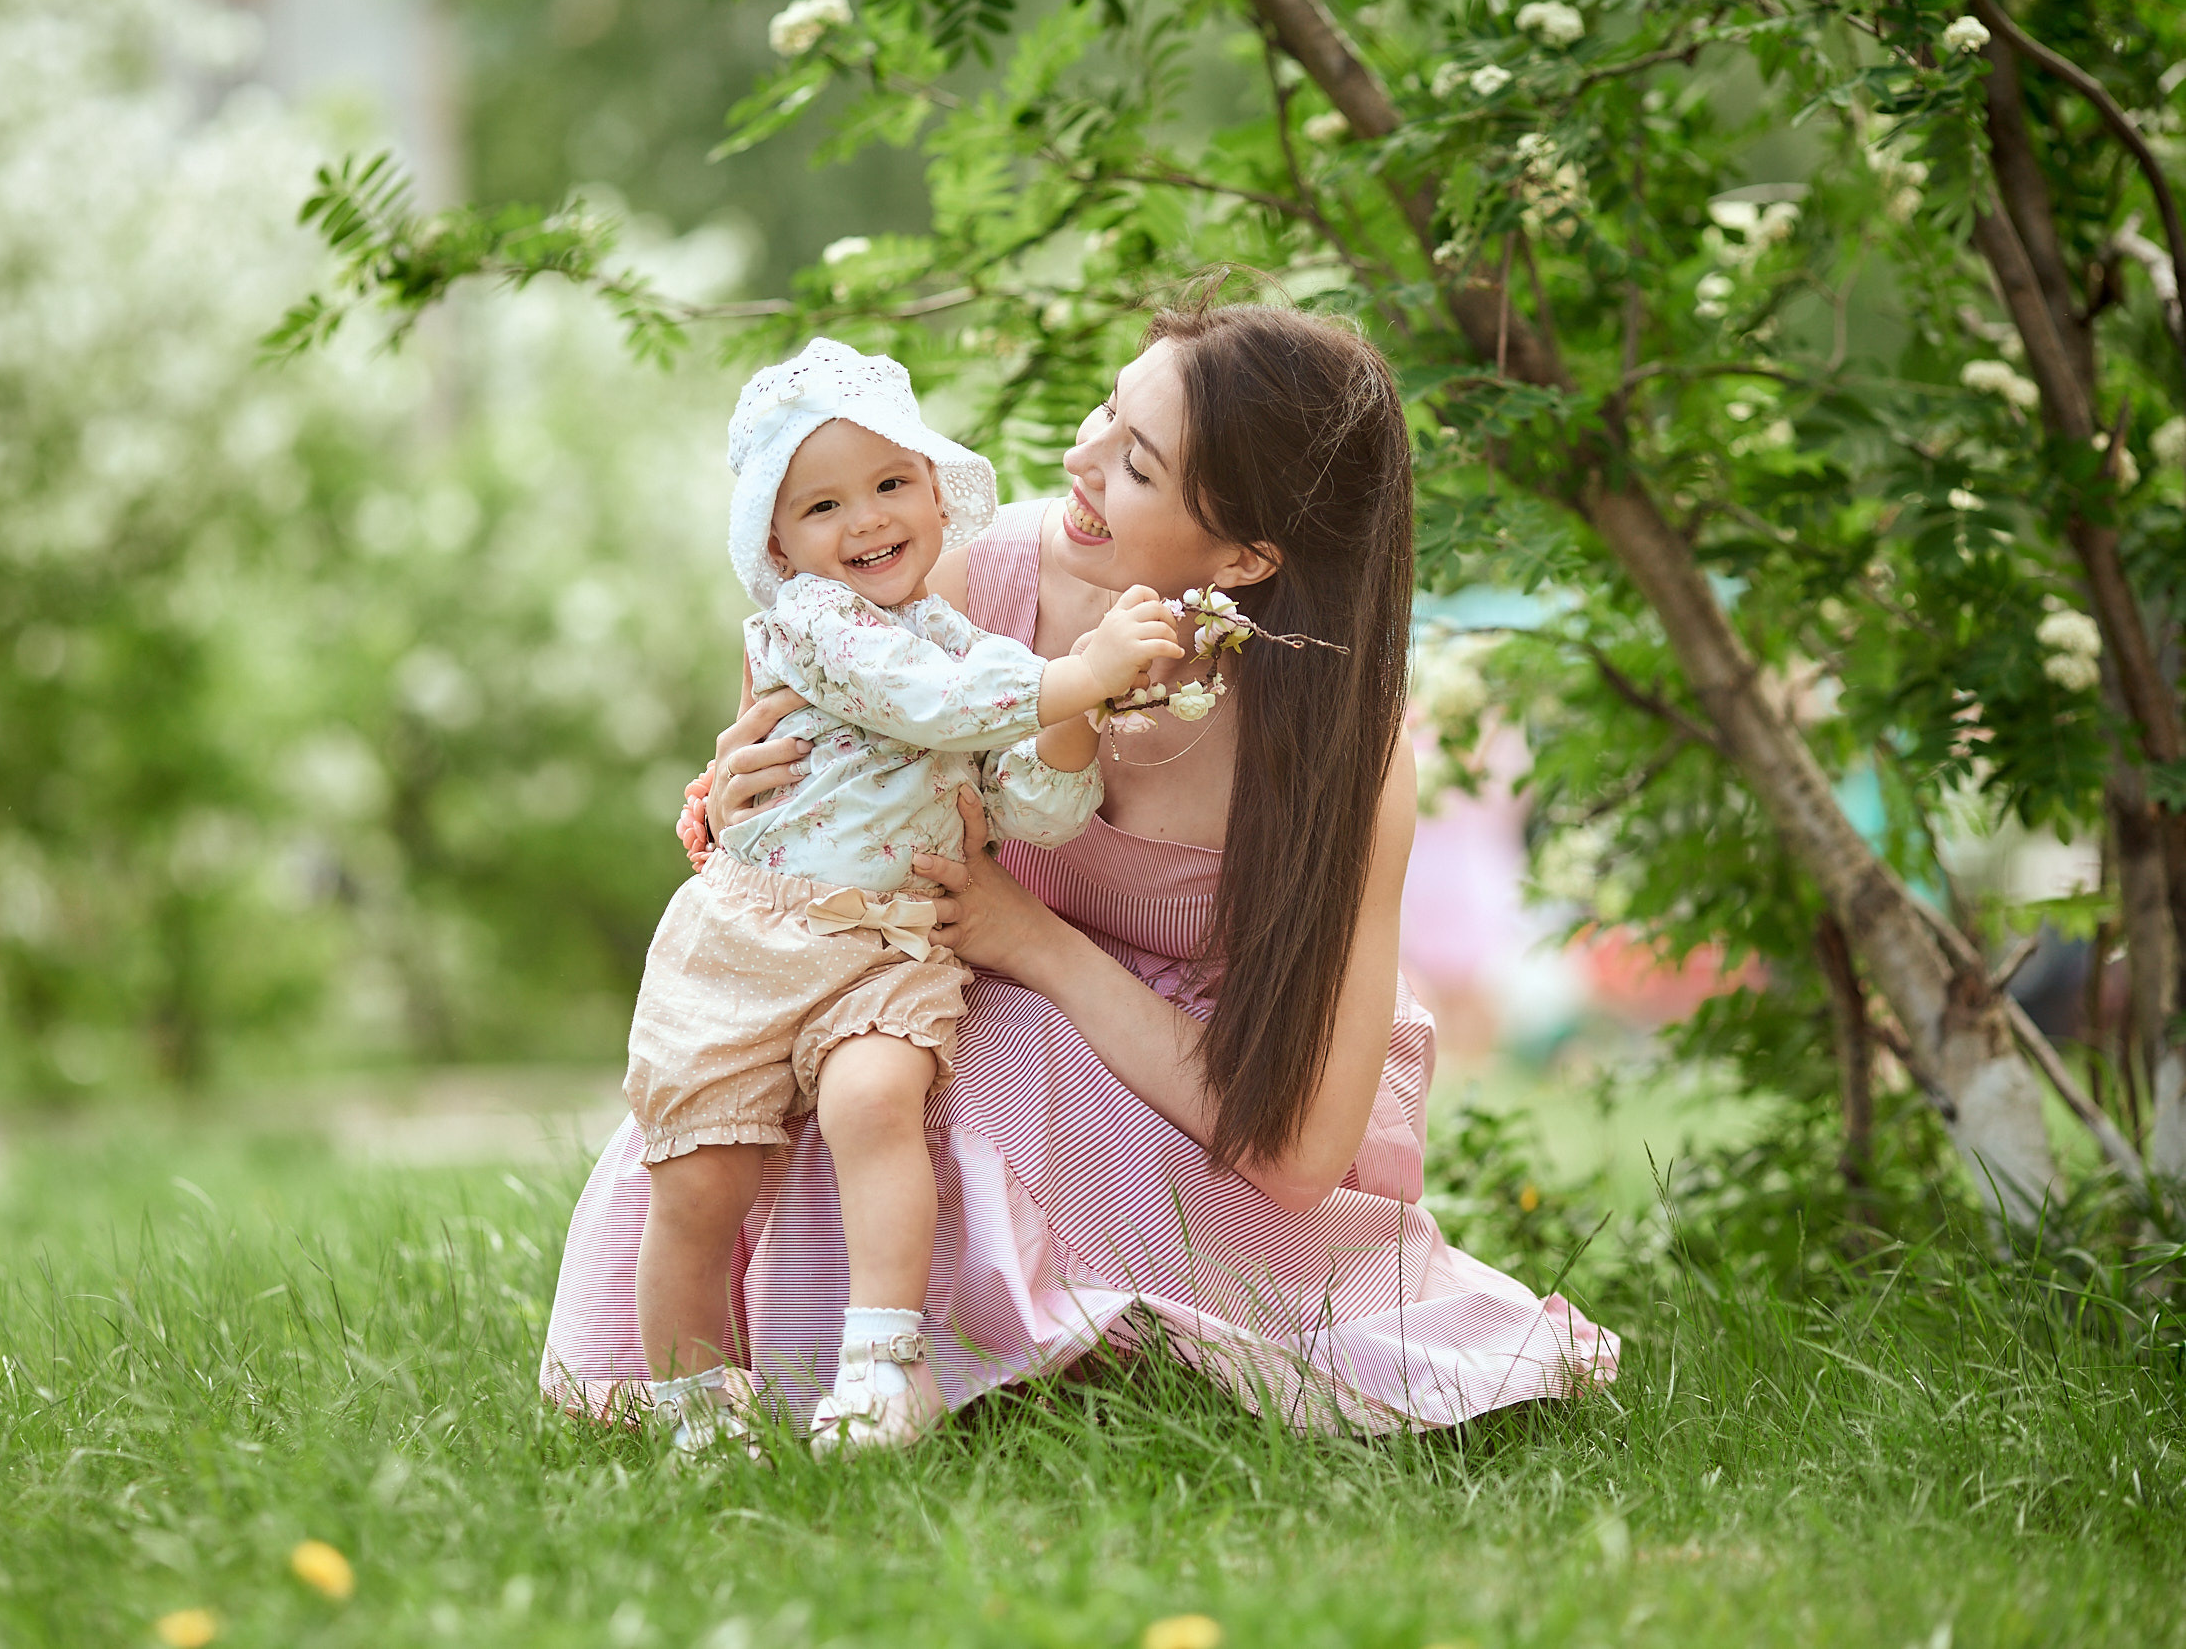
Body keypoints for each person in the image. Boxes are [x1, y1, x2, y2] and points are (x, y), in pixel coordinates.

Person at [548, 303, 1617, 1441]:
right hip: (920, 1005)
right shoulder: (963, 587)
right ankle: (812, 1364)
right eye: (1108, 407)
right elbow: (810, 792)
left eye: (1136, 462)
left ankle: (1017, 1341)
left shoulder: (1338, 758)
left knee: (990, 1051)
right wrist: (731, 796)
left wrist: (1035, 939)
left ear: (1248, 556)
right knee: (849, 1070)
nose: (1077, 458)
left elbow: (1301, 1149)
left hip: (1172, 1094)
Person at [627, 338, 1187, 1457]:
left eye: (891, 483)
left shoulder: (957, 643)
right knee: (700, 1181)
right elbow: (934, 704)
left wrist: (1068, 710)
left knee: (878, 1102)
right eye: (822, 504)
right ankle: (696, 1404)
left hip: (885, 951)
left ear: (936, 493)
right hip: (754, 941)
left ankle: (884, 1367)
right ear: (778, 544)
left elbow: (1036, 807)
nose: (867, 518)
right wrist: (1077, 672)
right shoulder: (819, 630)